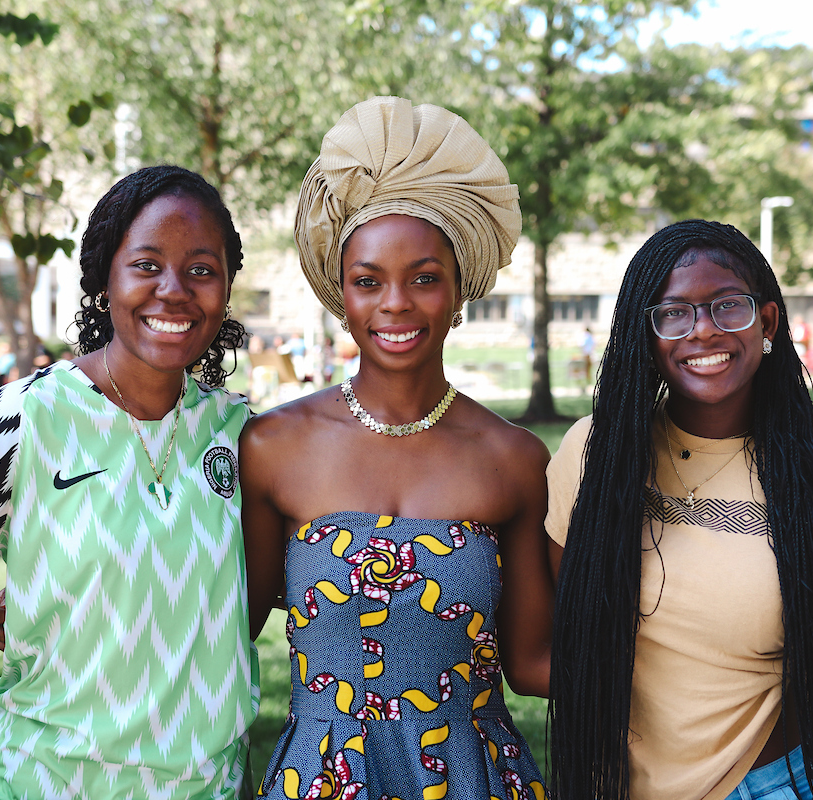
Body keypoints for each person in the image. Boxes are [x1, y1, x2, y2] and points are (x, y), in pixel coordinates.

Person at [0, 165, 258, 799]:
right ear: (103, 279)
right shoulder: (25, 416)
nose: (174, 290)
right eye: (146, 264)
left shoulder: (241, 435)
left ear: (226, 288)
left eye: (201, 270)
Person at [243, 96, 553, 800]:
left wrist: (707, 631)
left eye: (424, 278)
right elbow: (219, 627)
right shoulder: (275, 446)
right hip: (323, 779)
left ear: (458, 290)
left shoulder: (512, 460)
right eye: (368, 281)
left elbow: (534, 663)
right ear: (340, 294)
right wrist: (63, 600)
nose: (396, 305)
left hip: (471, 776)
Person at [547, 220, 813, 800]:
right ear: (646, 333)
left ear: (766, 321)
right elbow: (556, 650)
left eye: (726, 307)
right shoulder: (594, 459)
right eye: (674, 313)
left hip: (773, 785)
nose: (704, 332)